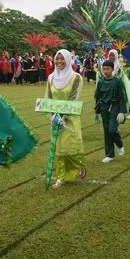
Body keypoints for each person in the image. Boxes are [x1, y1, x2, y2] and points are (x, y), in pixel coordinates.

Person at [45, 49, 85, 188]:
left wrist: (63, 117)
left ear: (68, 60)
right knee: (58, 149)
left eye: (62, 59)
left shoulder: (76, 78)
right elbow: (48, 98)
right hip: (56, 120)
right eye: (57, 58)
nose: (59, 61)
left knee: (71, 147)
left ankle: (78, 166)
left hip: (70, 119)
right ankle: (60, 178)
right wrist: (52, 116)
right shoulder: (51, 78)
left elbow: (73, 99)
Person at [95, 60, 127, 163]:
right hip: (104, 108)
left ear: (112, 69)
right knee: (106, 132)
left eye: (108, 69)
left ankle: (119, 144)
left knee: (112, 130)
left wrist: (122, 111)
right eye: (104, 69)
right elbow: (98, 97)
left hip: (115, 107)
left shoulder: (117, 81)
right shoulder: (100, 82)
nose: (105, 71)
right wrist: (97, 112)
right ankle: (109, 155)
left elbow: (122, 97)